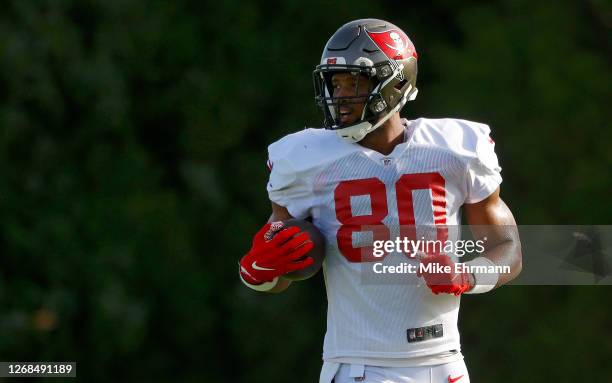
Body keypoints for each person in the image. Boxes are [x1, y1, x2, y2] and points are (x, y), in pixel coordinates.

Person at [239, 19, 522, 383]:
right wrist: (257, 273)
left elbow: (508, 249)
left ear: (396, 82)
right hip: (361, 365)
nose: (340, 96)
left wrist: (467, 274)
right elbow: (280, 263)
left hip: (446, 362)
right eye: (334, 83)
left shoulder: (455, 148)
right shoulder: (306, 159)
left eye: (354, 82)